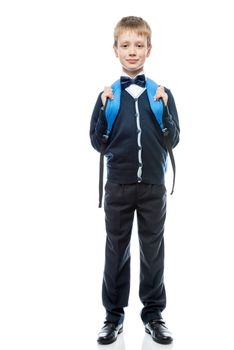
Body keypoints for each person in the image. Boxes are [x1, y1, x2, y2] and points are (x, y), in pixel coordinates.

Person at [89, 16, 180, 345]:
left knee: (153, 251)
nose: (132, 51)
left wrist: (166, 111)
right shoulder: (109, 95)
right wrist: (102, 110)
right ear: (115, 50)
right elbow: (97, 141)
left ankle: (154, 315)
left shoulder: (161, 93)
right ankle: (113, 317)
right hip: (118, 188)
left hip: (154, 187)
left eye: (138, 45)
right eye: (125, 45)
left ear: (149, 49)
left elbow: (175, 137)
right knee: (116, 250)